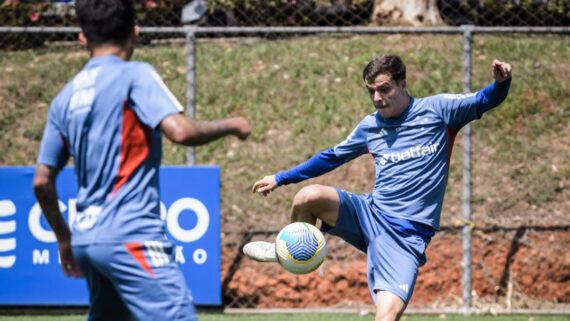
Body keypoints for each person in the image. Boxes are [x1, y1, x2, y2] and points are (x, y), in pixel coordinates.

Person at [244, 54, 512, 320]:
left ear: (403, 85)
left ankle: (292, 252)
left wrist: (501, 83)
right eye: (371, 91)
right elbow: (331, 157)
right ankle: (290, 251)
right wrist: (281, 178)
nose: (377, 98)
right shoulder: (371, 126)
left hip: (405, 237)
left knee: (386, 318)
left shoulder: (439, 110)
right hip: (369, 213)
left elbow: (484, 99)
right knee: (307, 197)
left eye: (384, 89)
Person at [32, 0, 251, 320]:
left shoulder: (64, 98)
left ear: (83, 37)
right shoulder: (135, 75)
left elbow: (41, 181)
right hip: (130, 235)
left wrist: (64, 238)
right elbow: (181, 131)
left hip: (86, 240)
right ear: (134, 33)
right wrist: (232, 125)